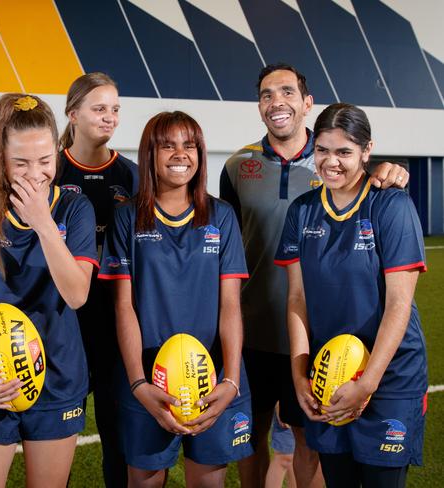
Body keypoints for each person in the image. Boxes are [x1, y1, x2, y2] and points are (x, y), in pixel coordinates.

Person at [219, 63, 409, 488]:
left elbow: (363, 176)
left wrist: (386, 170)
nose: (276, 102)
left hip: (317, 338)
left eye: (287, 92)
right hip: (253, 331)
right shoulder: (236, 166)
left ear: (307, 103)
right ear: (259, 106)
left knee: (311, 439)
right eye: (266, 94)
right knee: (247, 435)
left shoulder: (331, 158)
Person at [0, 93, 97, 487]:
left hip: (57, 379)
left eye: (45, 161)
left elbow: (77, 295)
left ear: (57, 154)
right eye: (21, 163)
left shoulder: (75, 210)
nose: (35, 174)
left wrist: (43, 223)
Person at [274, 102, 427, 487]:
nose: (331, 162)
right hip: (330, 373)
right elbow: (297, 300)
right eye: (323, 150)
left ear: (366, 151)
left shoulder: (391, 205)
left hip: (389, 378)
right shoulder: (302, 211)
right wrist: (299, 372)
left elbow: (398, 304)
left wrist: (369, 383)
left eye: (344, 151)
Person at [99, 111, 253, 487]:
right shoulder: (126, 217)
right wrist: (138, 383)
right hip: (147, 379)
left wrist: (229, 380)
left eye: (189, 145)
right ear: (150, 154)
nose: (180, 154)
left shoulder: (222, 216)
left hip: (212, 376)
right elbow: (124, 307)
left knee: (208, 482)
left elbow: (230, 305)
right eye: (167, 145)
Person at [56, 72, 138, 487]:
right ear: (73, 114)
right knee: (55, 440)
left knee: (117, 439)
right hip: (60, 322)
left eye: (115, 109)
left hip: (113, 320)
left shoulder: (132, 175)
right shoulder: (48, 168)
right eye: (99, 108)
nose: (110, 118)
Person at [265, 404, 297, 488]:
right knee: (285, 455)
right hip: (291, 397)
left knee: (311, 456)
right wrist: (279, 402)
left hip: (323, 399)